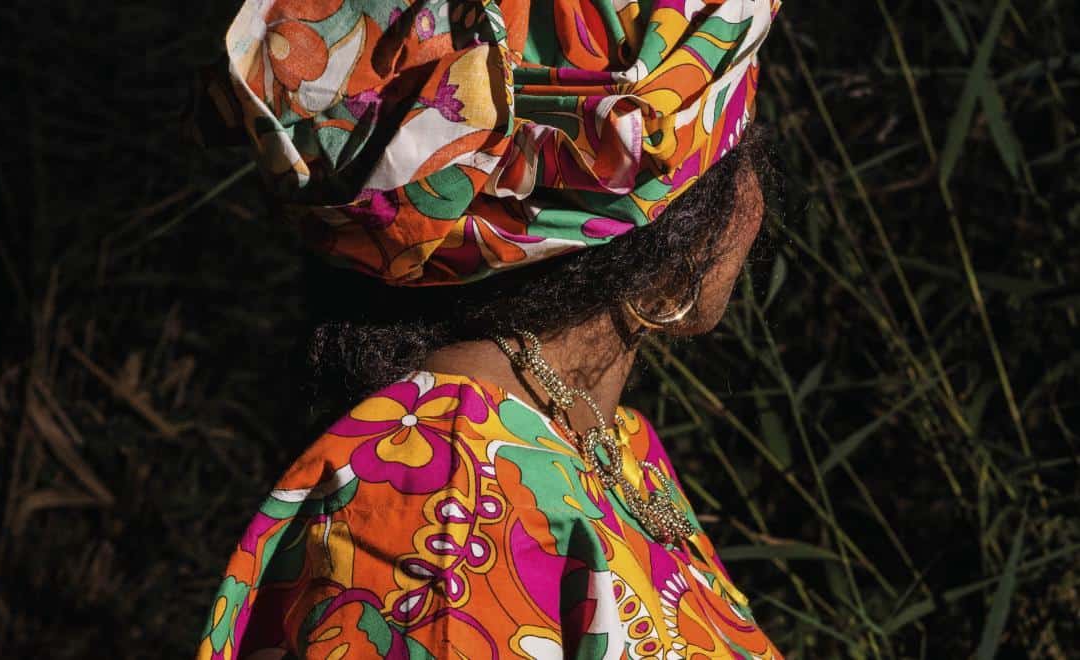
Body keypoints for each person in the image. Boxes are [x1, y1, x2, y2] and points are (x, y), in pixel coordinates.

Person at [192, 0, 782, 657]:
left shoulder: (592, 444)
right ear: (680, 230)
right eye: (745, 147)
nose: (754, 196)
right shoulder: (442, 535)